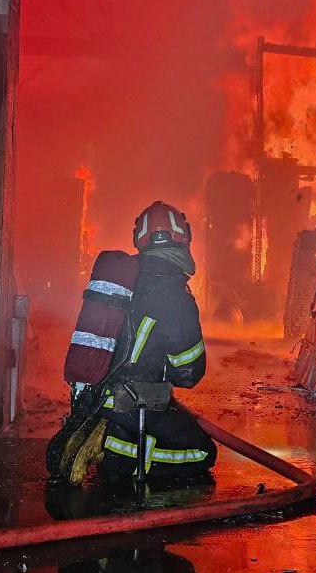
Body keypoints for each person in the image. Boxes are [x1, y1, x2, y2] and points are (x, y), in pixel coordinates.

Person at [51, 201, 216, 484]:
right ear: (184, 236)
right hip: (132, 404)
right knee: (201, 452)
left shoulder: (125, 278)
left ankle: (106, 430)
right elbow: (189, 372)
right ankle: (112, 447)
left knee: (174, 426)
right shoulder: (174, 293)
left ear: (139, 239)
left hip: (96, 397)